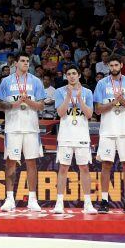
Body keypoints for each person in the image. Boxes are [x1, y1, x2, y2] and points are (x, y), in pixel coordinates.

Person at [0, 52, 46, 212]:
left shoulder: (36, 81)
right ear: (16, 63)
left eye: (27, 61)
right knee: (11, 162)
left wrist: (28, 101)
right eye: (23, 61)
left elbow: (41, 106)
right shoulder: (6, 81)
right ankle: (9, 198)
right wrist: (15, 104)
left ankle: (32, 199)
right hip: (13, 128)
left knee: (31, 162)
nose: (26, 63)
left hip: (31, 128)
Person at [93, 54, 125, 214]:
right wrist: (113, 102)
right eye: (111, 65)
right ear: (108, 67)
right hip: (107, 130)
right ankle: (104, 201)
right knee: (106, 165)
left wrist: (123, 101)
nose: (113, 68)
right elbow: (97, 110)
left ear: (121, 65)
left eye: (116, 65)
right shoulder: (101, 84)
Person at [53, 65, 97, 215]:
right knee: (63, 168)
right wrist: (68, 97)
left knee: (84, 168)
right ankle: (59, 203)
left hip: (82, 136)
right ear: (66, 76)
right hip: (65, 135)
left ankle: (88, 203)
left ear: (79, 75)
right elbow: (60, 112)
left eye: (74, 73)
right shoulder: (59, 91)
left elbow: (90, 114)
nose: (71, 76)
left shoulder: (88, 92)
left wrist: (79, 99)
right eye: (69, 74)